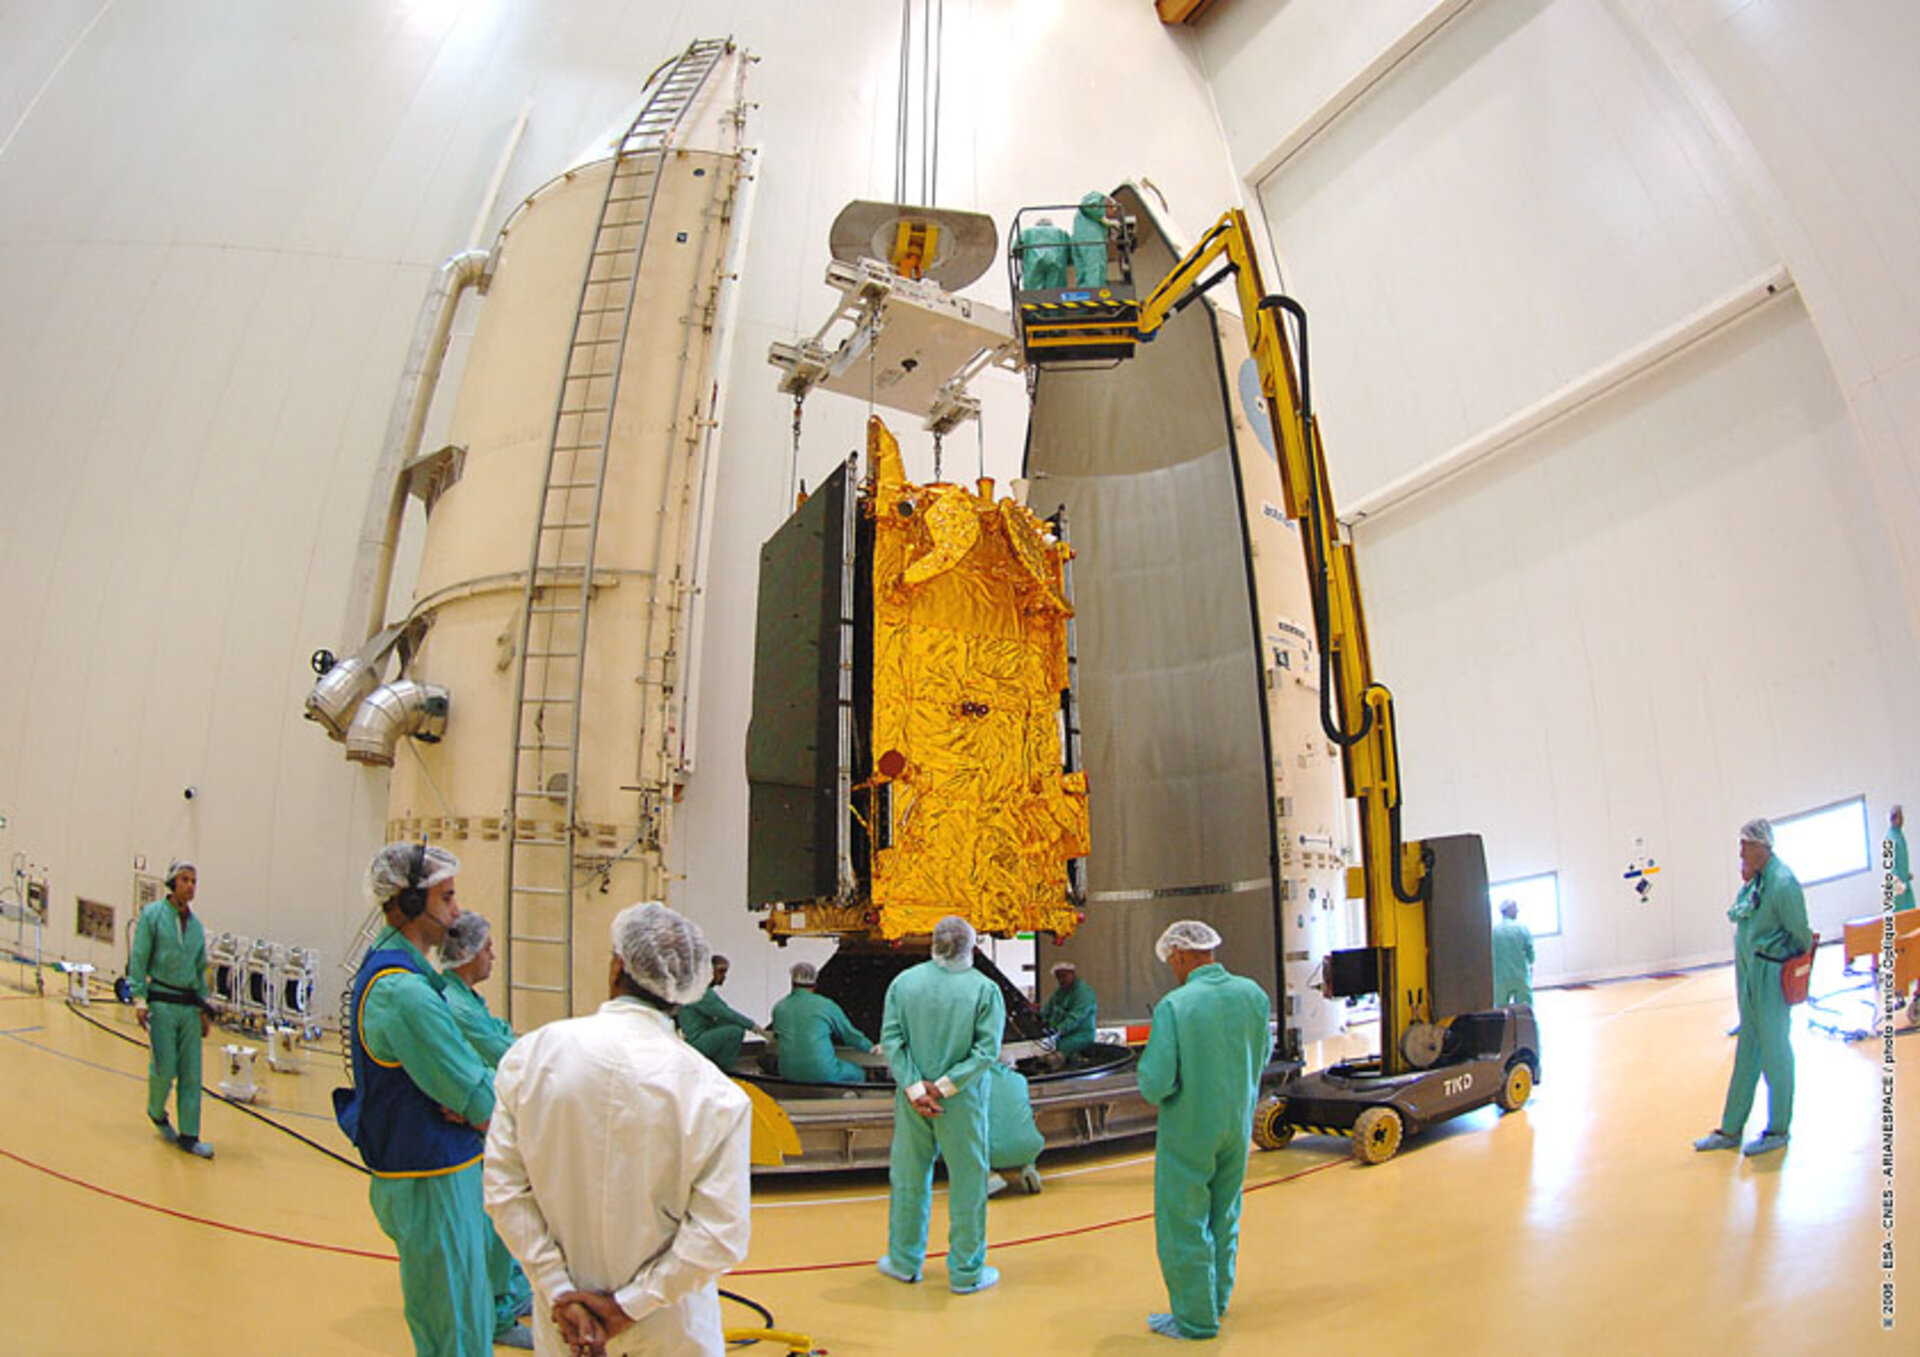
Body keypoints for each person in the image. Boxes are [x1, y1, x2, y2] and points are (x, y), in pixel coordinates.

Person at [484, 902, 751, 1357]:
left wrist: (557, 1288)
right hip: (671, 1328)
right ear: (685, 990)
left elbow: (504, 1192)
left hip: (567, 1321)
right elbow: (719, 1234)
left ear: (617, 966)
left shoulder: (532, 1057)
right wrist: (626, 1308)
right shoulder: (714, 1093)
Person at [335, 842, 523, 1356]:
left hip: (437, 1169)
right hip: (430, 1177)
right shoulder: (405, 993)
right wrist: (483, 1109)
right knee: (455, 1332)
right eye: (447, 897)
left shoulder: (401, 972)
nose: (456, 912)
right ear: (408, 904)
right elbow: (472, 1091)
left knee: (464, 1315)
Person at [1137, 919, 1273, 1341]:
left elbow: (1157, 1083)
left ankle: (1195, 1319)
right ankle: (1217, 1298)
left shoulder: (1175, 1007)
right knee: (1225, 1212)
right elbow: (1262, 1054)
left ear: (1179, 954)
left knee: (1184, 1222)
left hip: (1190, 1129)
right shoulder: (1253, 995)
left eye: (1170, 962)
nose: (1171, 970)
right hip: (1237, 1120)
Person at [876, 915, 1006, 1294]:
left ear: (934, 941)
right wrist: (945, 1087)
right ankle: (966, 1272)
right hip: (961, 1103)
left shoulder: (904, 984)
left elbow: (892, 1040)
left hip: (912, 1100)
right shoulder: (985, 990)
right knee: (968, 1181)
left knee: (909, 1176)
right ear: (971, 943)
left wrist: (917, 1088)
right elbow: (986, 1051)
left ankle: (903, 1261)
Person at [438, 913, 534, 1348]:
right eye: (488, 947)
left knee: (507, 1218)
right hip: (480, 1124)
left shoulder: (467, 998)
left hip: (490, 1119)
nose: (494, 954)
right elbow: (506, 1052)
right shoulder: (458, 1007)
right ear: (468, 953)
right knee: (496, 1220)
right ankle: (496, 1315)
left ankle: (511, 1295)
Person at [1694, 818, 1813, 1158]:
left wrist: (1782, 970)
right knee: (1747, 1053)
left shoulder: (1783, 883)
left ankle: (1778, 1129)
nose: (1741, 852)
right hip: (1749, 978)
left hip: (1770, 978)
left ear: (1763, 846)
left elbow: (1800, 936)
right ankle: (1730, 1129)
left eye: (1746, 845)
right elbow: (1742, 914)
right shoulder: (1757, 882)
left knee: (1775, 1053)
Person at [128, 859, 217, 1159]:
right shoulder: (152, 916)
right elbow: (139, 957)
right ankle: (156, 1111)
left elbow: (200, 967)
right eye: (185, 879)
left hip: (189, 1007)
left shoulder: (196, 928)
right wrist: (139, 998)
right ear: (172, 883)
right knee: (164, 1068)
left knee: (191, 1074)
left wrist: (204, 1010)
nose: (190, 885)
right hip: (161, 1004)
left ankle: (190, 1136)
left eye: (194, 881)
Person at [768, 961, 878, 1085]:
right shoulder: (826, 1005)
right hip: (823, 1072)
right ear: (815, 984)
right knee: (858, 1073)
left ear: (792, 983)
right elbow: (849, 1035)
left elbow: (779, 1037)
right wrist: (870, 1047)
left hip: (788, 1073)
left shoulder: (779, 1007)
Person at [676, 954, 763, 1072]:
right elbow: (726, 1013)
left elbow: (723, 1012)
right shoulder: (702, 992)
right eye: (720, 971)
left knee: (727, 1023)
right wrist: (756, 1028)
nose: (724, 976)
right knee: (735, 1032)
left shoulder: (700, 989)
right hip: (696, 1040)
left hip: (697, 1036)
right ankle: (723, 1071)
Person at [983, 1059, 1045, 1197]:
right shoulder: (1020, 1079)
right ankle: (1028, 1169)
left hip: (992, 1152)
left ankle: (988, 1177)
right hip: (1031, 1147)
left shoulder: (974, 1083)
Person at [1039, 959, 1098, 1057]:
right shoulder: (1060, 991)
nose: (1061, 980)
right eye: (1058, 977)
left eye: (1064, 976)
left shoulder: (1083, 992)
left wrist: (1056, 1031)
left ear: (1073, 974)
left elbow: (1075, 1018)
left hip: (1081, 1035)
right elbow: (1047, 1010)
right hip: (1062, 1035)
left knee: (1054, 1050)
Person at [1491, 899, 1535, 1006]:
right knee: (1525, 1010)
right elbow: (1530, 952)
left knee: (1500, 1012)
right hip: (1520, 976)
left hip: (1500, 978)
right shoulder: (1522, 928)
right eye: (1515, 908)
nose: (1517, 911)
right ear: (1509, 910)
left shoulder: (1493, 930)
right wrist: (1531, 961)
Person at [1069, 190, 1111, 288]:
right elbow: (1089, 206)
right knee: (1095, 267)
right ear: (1108, 204)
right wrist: (1103, 219)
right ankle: (1094, 293)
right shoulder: (1098, 199)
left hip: (1082, 239)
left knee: (1084, 270)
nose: (1111, 215)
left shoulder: (1089, 221)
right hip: (1091, 240)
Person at [1888, 805, 1913, 913]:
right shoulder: (1890, 837)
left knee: (1910, 911)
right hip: (1897, 883)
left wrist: (1906, 873)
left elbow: (1902, 858)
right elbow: (1890, 865)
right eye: (1900, 817)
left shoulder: (1899, 834)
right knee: (1900, 913)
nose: (1903, 820)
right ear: (1894, 819)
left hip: (1905, 880)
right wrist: (1897, 882)